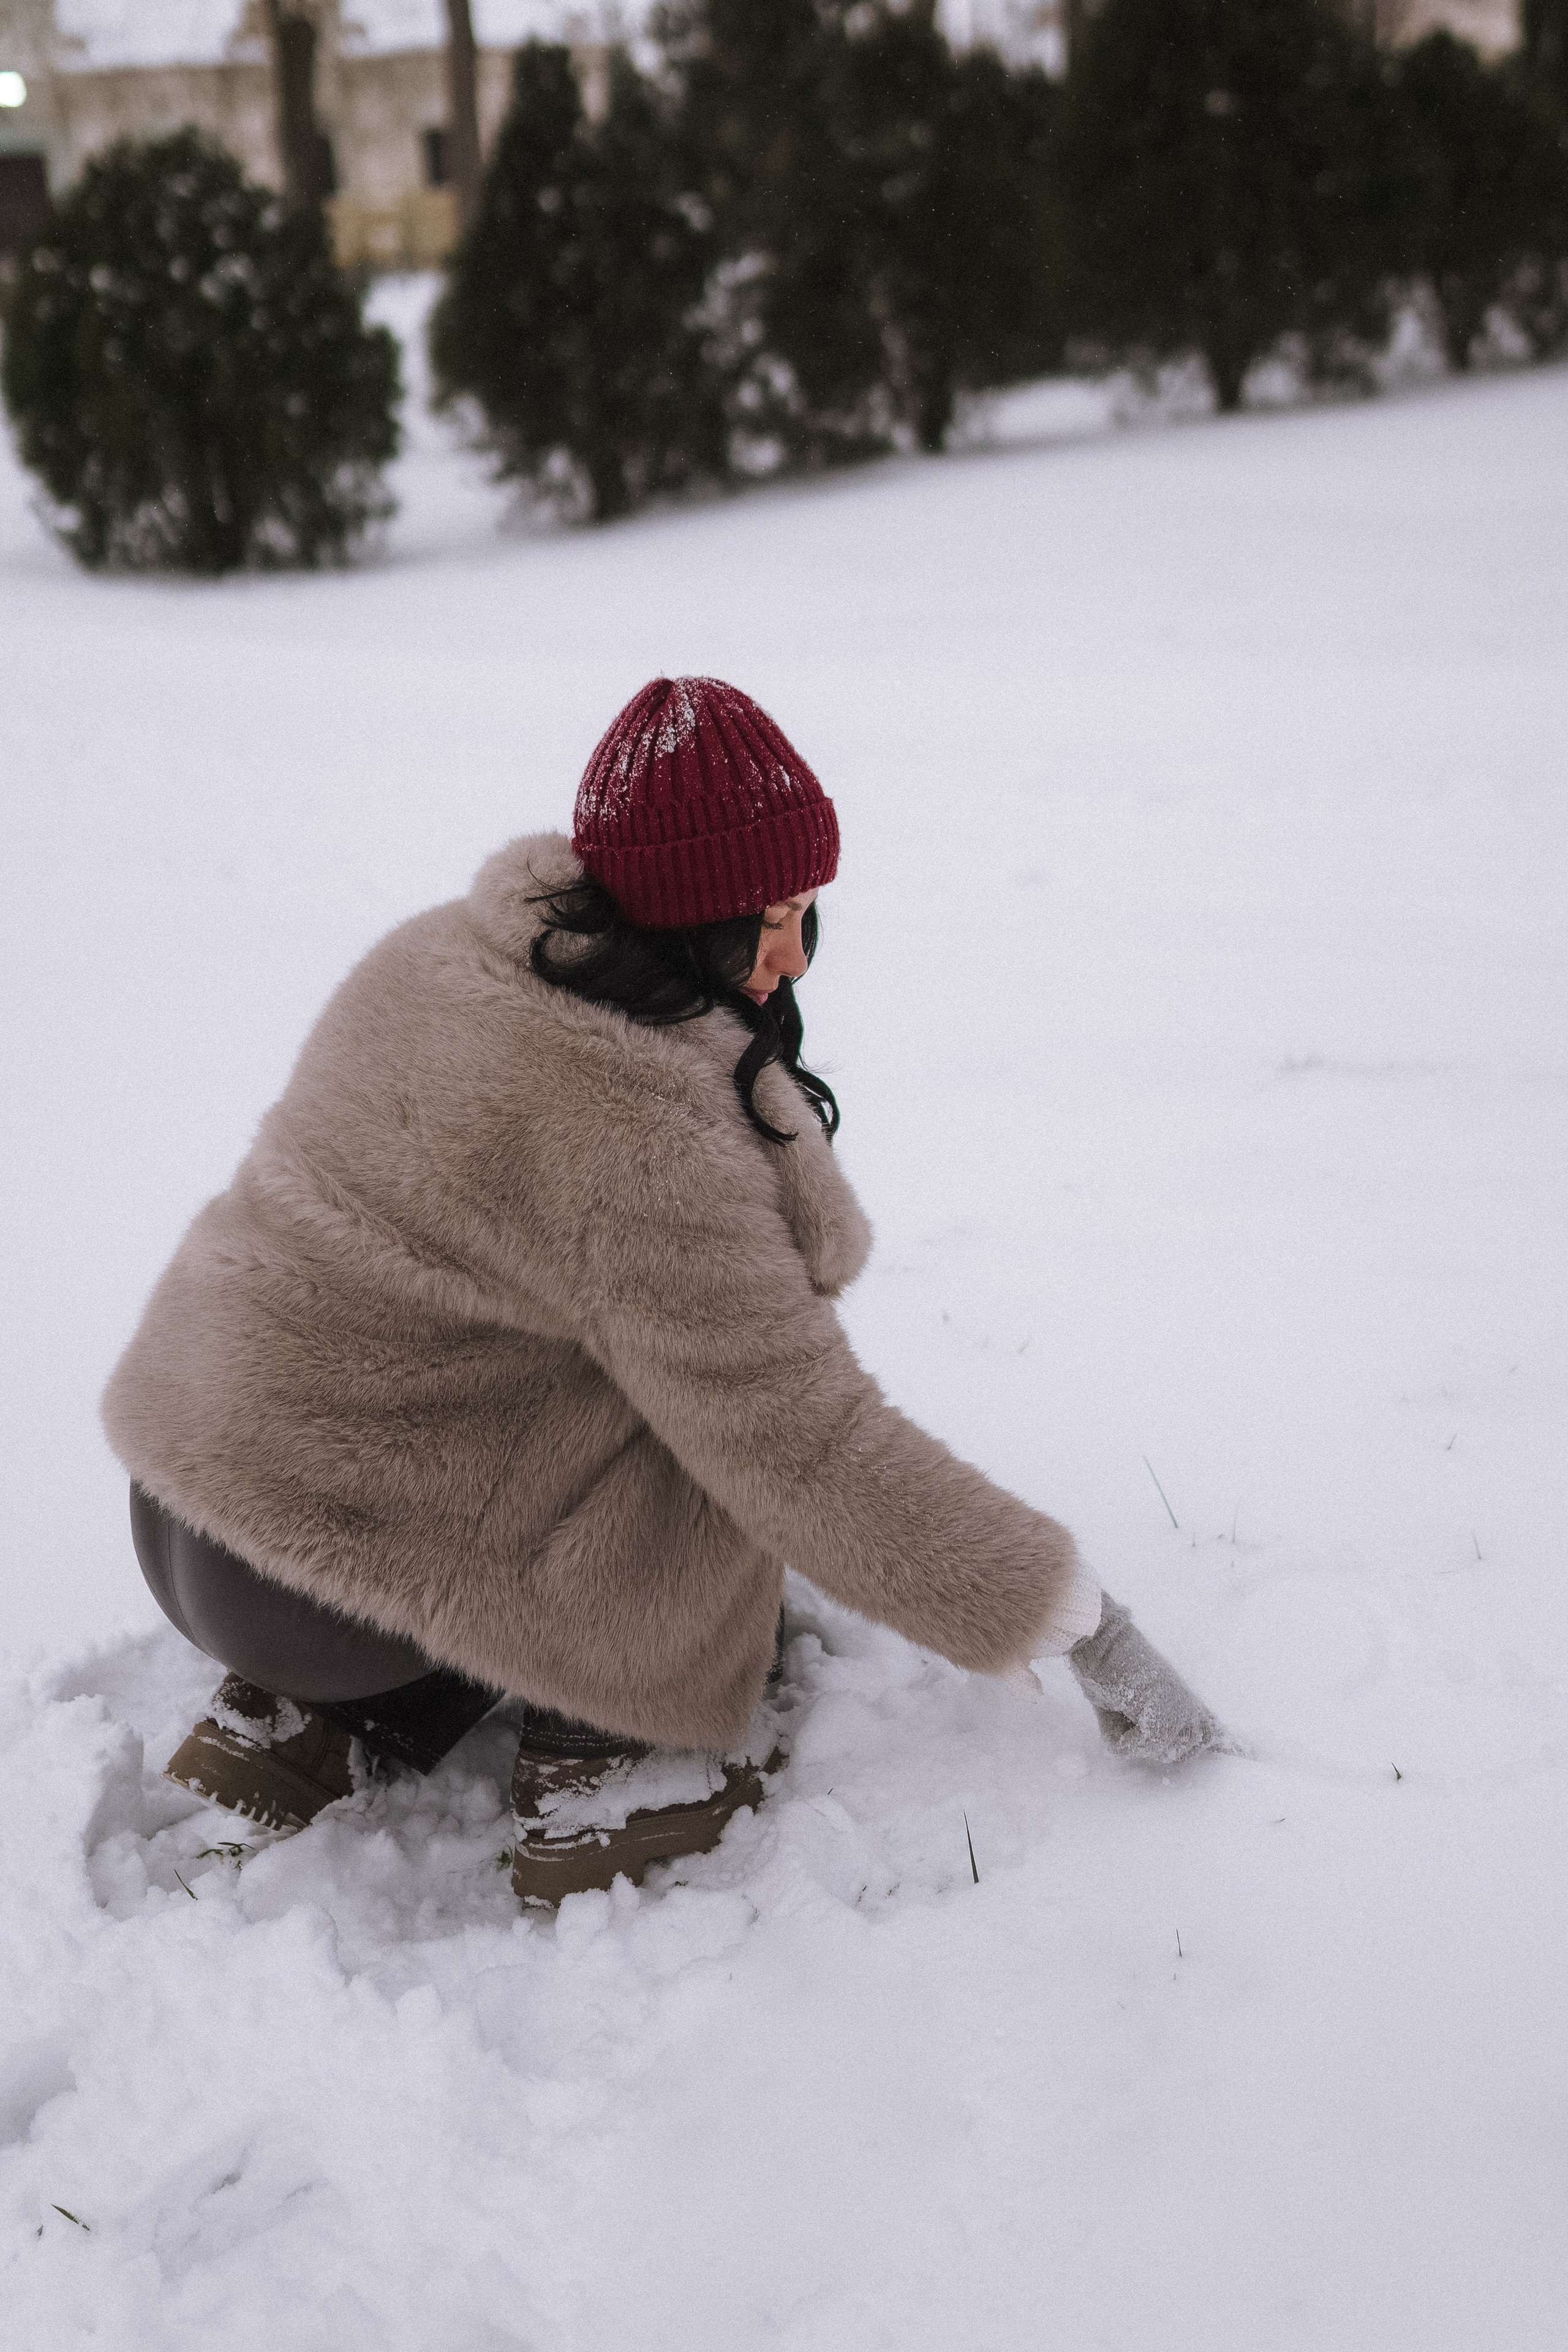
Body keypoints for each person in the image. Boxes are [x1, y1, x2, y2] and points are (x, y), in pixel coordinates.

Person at [104, 676, 1225, 1903]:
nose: (794, 956)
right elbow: (805, 1451)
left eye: (810, 915)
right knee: (703, 1429)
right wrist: (1074, 1620)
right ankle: (612, 1761)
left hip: (195, 1513)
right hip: (337, 1583)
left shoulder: (433, 957)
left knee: (540, 1349)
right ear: (688, 914)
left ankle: (291, 1716)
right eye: (771, 918)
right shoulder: (639, 1136)